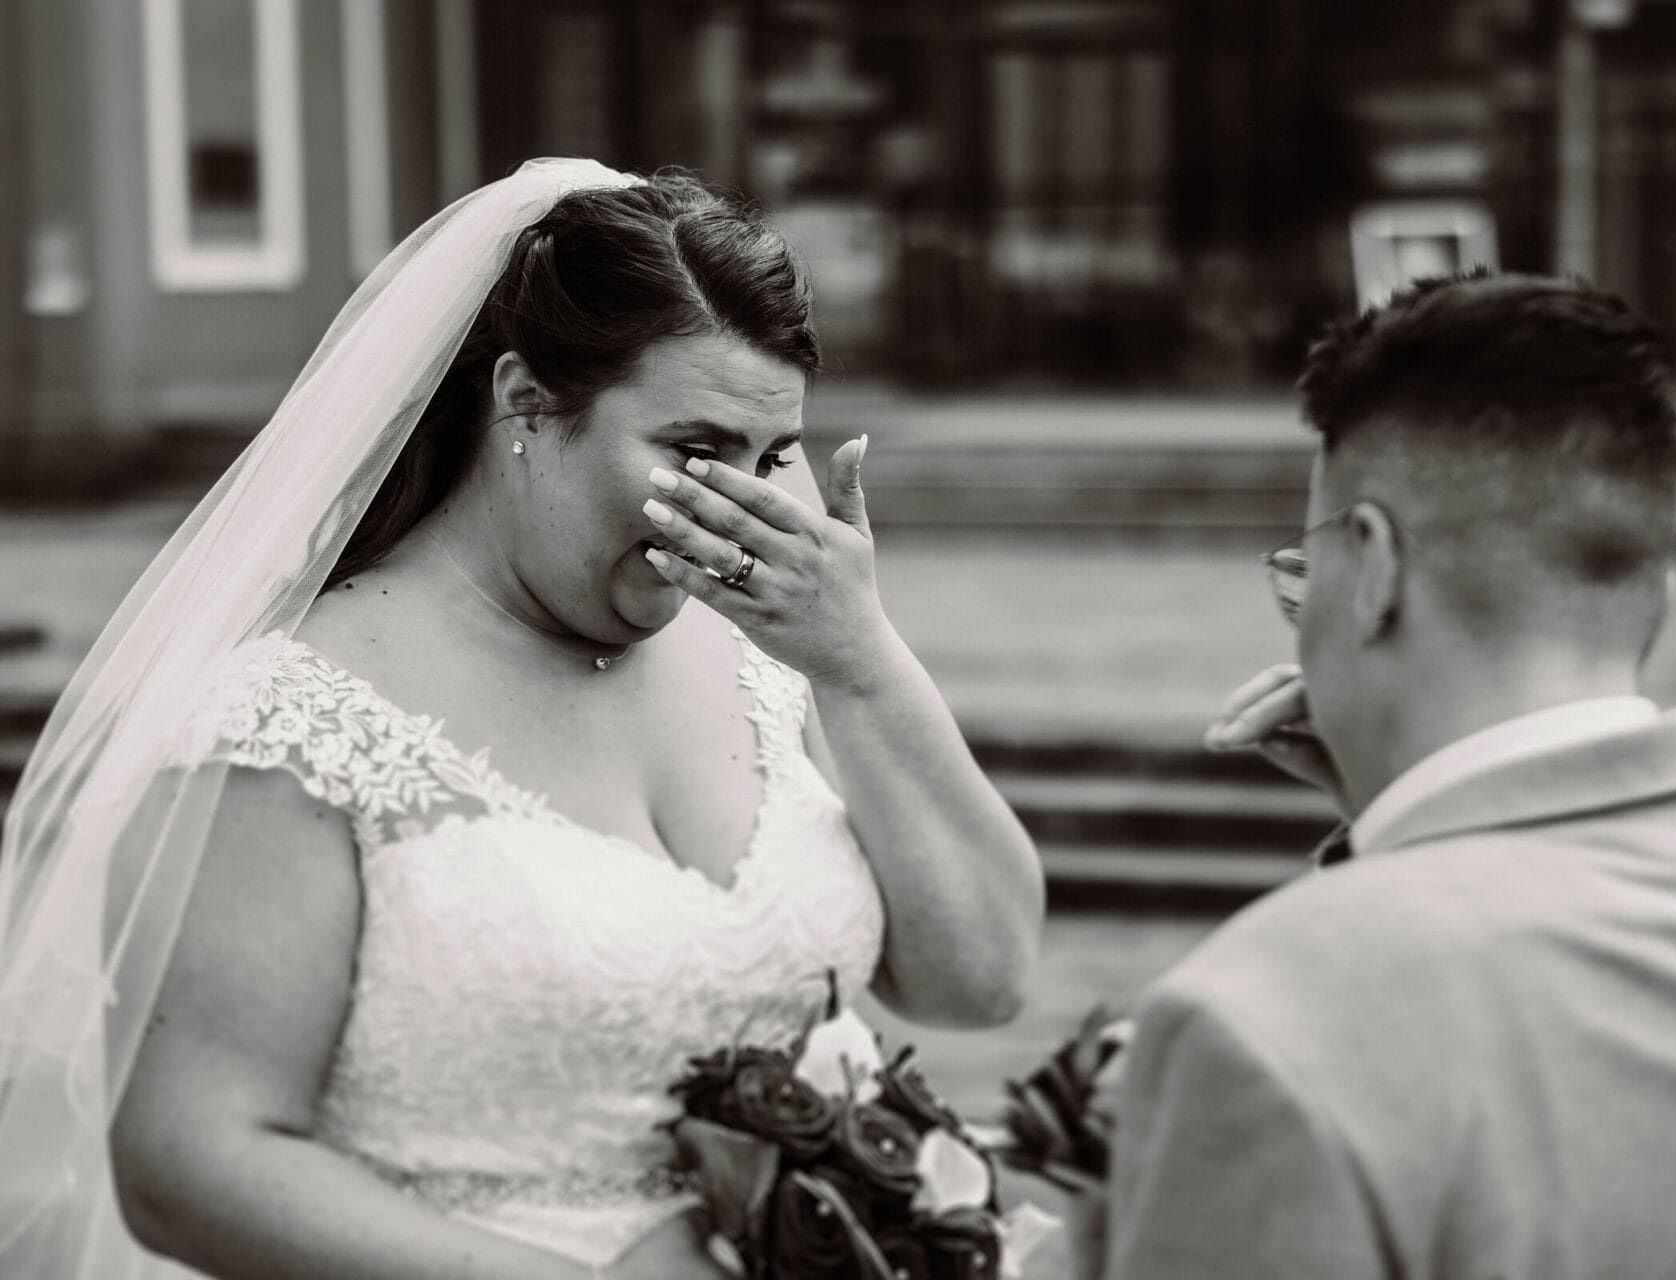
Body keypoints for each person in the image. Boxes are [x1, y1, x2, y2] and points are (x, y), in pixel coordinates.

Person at [0, 160, 1044, 1279]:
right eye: (695, 451)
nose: (737, 514)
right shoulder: (289, 718)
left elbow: (974, 982)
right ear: (525, 400)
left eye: (770, 455)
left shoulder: (771, 656)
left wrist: (865, 664)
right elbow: (188, 1162)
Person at [1095, 272, 1676, 1278]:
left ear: (1373, 567)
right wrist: (1402, 824)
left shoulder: (1264, 1018)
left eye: (1302, 568)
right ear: (1654, 584)